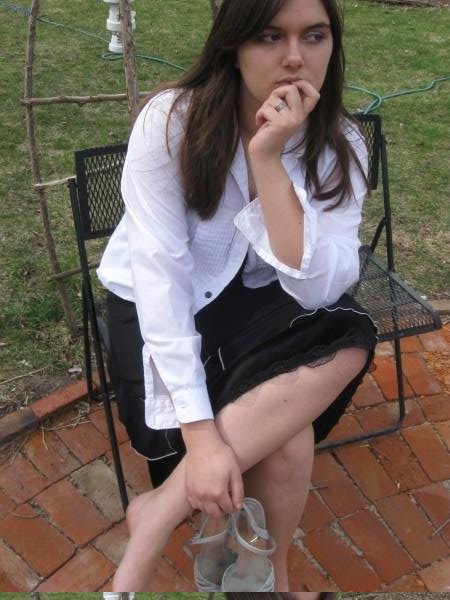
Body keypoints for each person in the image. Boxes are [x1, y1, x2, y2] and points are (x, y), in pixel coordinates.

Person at [97, 0, 377, 592]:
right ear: (234, 46)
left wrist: (269, 161)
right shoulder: (171, 123)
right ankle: (272, 579)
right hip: (157, 310)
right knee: (287, 438)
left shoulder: (341, 143)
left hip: (256, 298)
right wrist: (200, 438)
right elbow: (161, 281)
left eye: (314, 36)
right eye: (271, 37)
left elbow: (321, 288)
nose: (295, 58)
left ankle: (161, 513)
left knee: (350, 334)